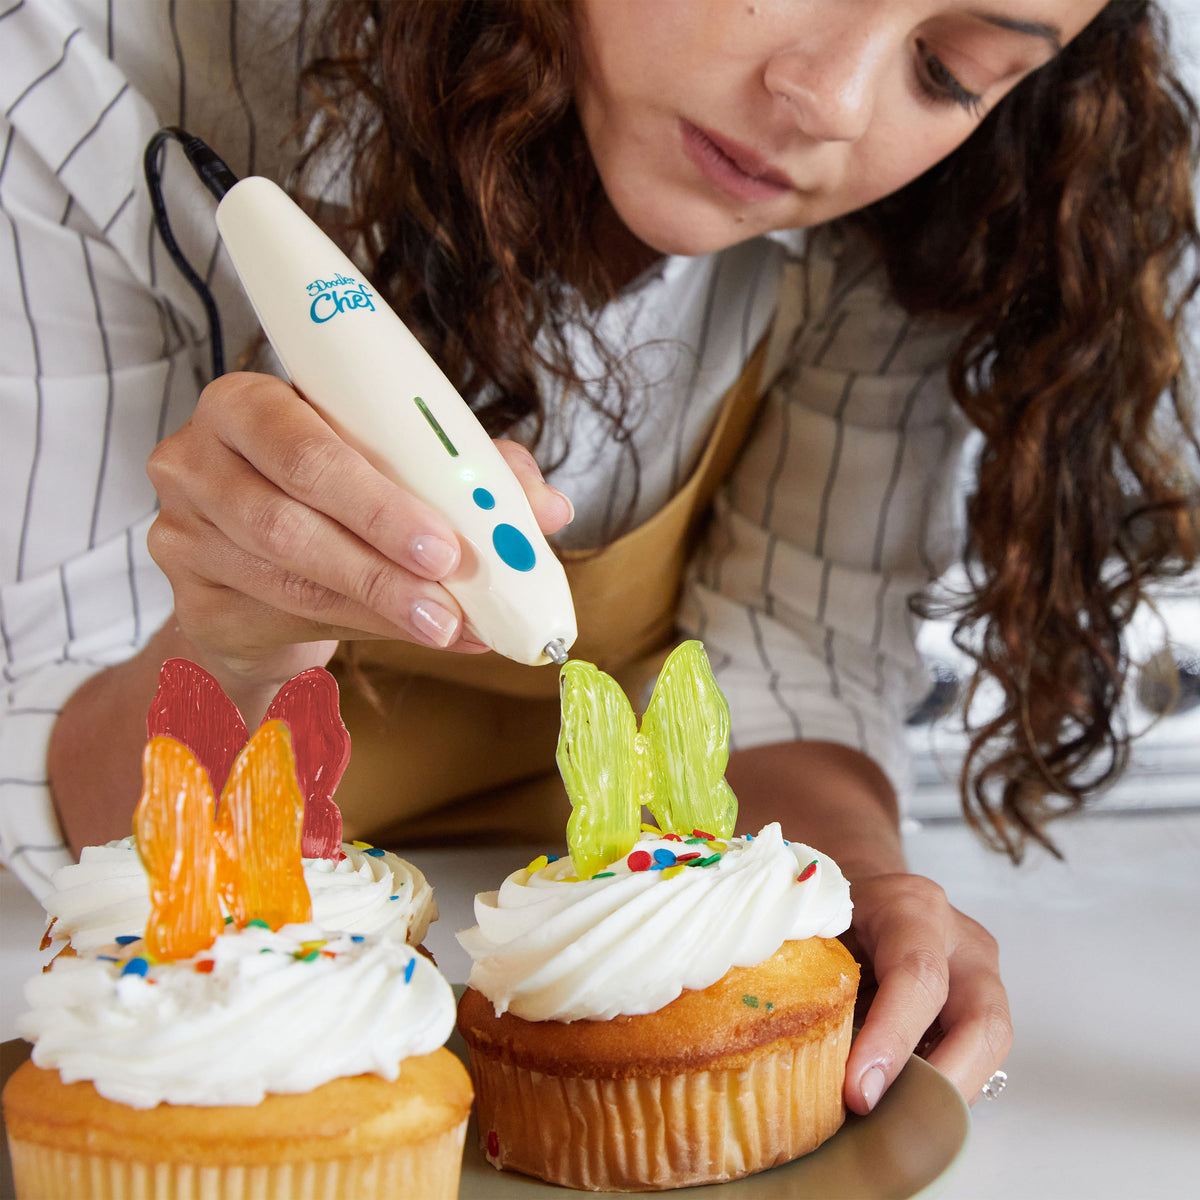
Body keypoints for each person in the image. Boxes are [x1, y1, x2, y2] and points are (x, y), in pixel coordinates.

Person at [2, 0, 1197, 1121]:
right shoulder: (94, 73)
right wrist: (231, 644)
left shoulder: (898, 228)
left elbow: (791, 674)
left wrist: (859, 885)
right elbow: (81, 809)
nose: (829, 100)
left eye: (949, 73)